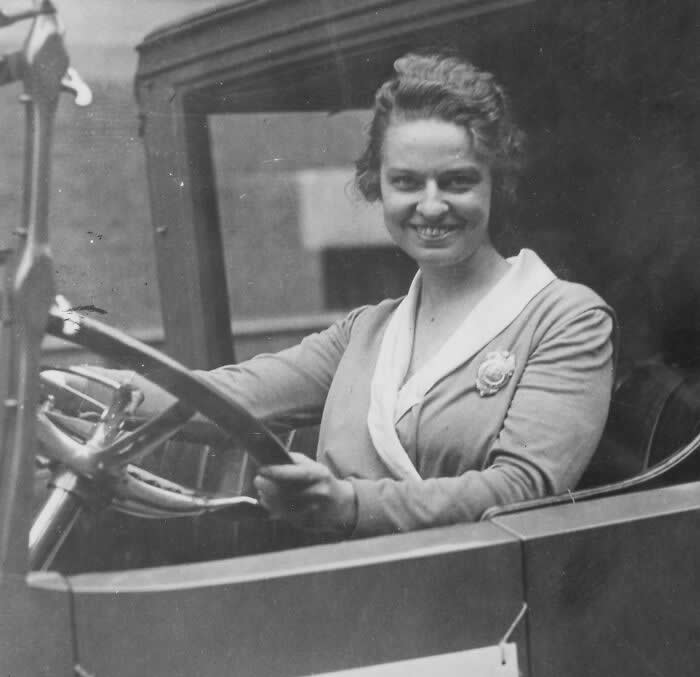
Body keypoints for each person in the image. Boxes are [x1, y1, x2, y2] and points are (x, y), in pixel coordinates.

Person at [199, 52, 614, 538]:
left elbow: (524, 489)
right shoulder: (366, 332)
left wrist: (348, 503)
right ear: (378, 185)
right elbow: (225, 395)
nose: (431, 206)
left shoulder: (566, 317)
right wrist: (89, 390)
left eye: (458, 181)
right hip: (347, 587)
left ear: (496, 184)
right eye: (406, 182)